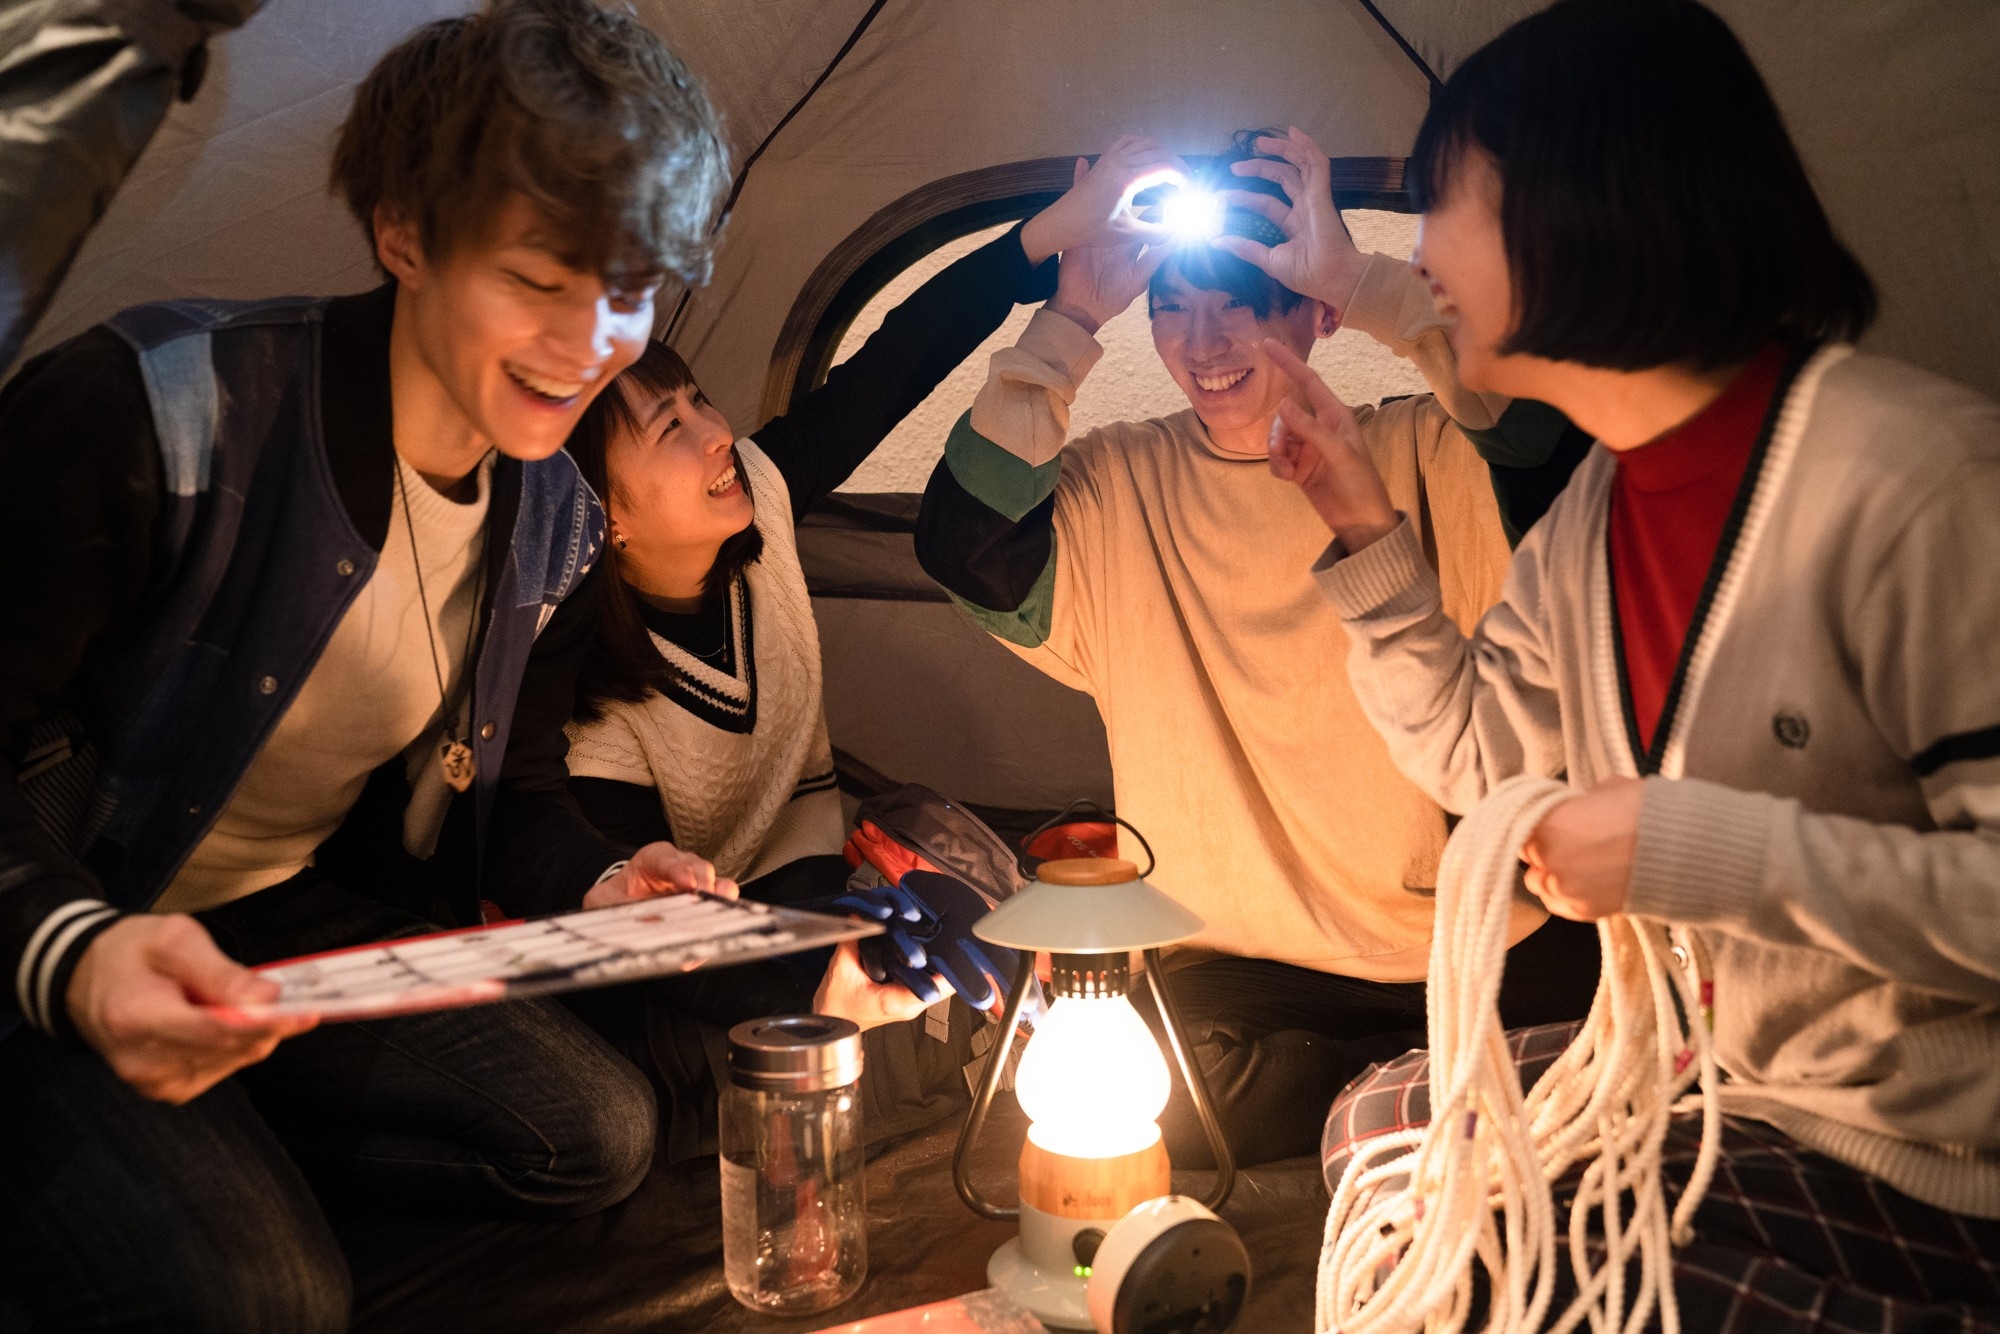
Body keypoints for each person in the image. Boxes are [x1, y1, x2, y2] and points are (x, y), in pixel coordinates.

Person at [0, 2, 736, 1326]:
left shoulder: (557, 522)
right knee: (270, 1294)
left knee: (600, 1131)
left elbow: (516, 793)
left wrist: (607, 877)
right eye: (539, 278)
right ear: (405, 233)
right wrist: (71, 946)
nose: (592, 340)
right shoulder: (159, 412)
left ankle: (217, 1136)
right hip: (76, 917)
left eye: (628, 289)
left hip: (271, 919)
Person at [1274, 1, 2000, 1323]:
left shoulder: (1916, 482)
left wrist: (1691, 846)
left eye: (1442, 202)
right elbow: (1482, 758)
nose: (1418, 250)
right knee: (1377, 1123)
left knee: (1514, 1257)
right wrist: (1365, 530)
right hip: (1706, 1076)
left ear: (1580, 197)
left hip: (1927, 1151)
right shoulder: (1596, 516)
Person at [914, 128, 1601, 1168]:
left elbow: (1559, 438)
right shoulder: (1118, 483)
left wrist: (1362, 280)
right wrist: (1071, 317)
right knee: (1138, 1102)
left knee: (1639, 1038)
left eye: (1239, 302)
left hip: (1468, 942)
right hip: (1237, 967)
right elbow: (965, 542)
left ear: (1314, 313)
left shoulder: (1421, 449)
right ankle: (1429, 1096)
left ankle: (1405, 1095)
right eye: (1172, 308)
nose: (1203, 341)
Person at [552, 139, 1188, 1158]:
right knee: (716, 1073)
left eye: (699, 401)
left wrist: (1046, 244)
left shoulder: (759, 496)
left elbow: (898, 359)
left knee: (938, 942)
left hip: (804, 875)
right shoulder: (594, 708)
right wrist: (818, 993)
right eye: (669, 428)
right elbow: (653, 936)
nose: (714, 432)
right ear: (607, 517)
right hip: (683, 950)